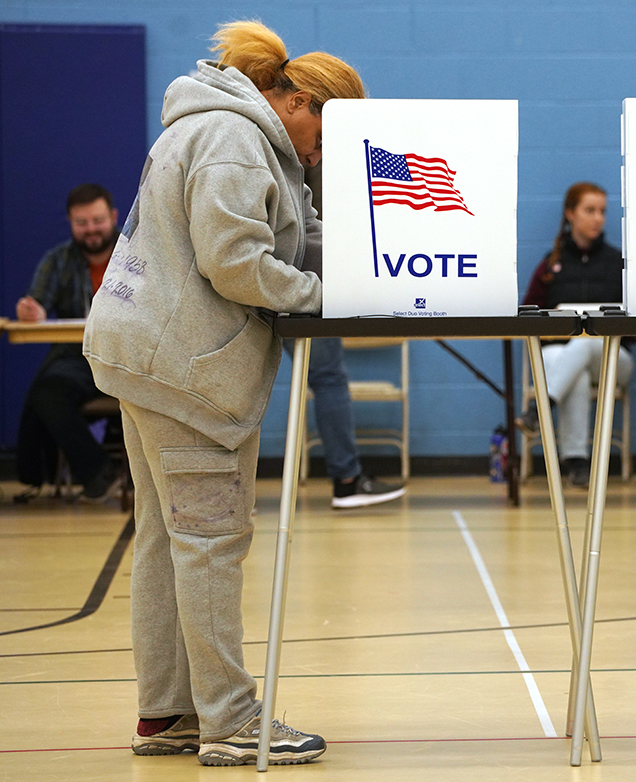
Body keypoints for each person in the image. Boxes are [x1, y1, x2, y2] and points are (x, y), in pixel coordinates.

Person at [83, 20, 365, 766]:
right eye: (324, 136)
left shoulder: (228, 130)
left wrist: (373, 265)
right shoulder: (237, 141)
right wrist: (317, 296)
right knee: (209, 541)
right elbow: (236, 261)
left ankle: (167, 712)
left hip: (146, 354)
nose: (320, 154)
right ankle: (232, 721)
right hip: (186, 368)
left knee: (165, 539)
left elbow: (299, 231)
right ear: (299, 101)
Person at [292, 160, 406, 509]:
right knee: (327, 377)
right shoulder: (321, 146)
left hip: (292, 272)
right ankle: (347, 480)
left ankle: (235, 488)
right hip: (305, 278)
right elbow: (322, 223)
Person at [515, 182, 633, 488]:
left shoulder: (617, 262)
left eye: (602, 212)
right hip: (562, 354)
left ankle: (540, 409)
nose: (598, 218)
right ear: (571, 214)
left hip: (612, 358)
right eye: (589, 210)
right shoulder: (551, 264)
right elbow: (529, 314)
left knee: (584, 339)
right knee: (576, 370)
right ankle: (577, 463)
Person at [14, 183, 121, 500]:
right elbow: (38, 304)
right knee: (47, 390)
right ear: (70, 223)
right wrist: (32, 311)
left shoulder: (137, 254)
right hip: (80, 359)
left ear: (113, 216)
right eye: (82, 223)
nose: (91, 230)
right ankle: (99, 470)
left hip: (129, 357)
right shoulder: (57, 259)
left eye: (98, 221)